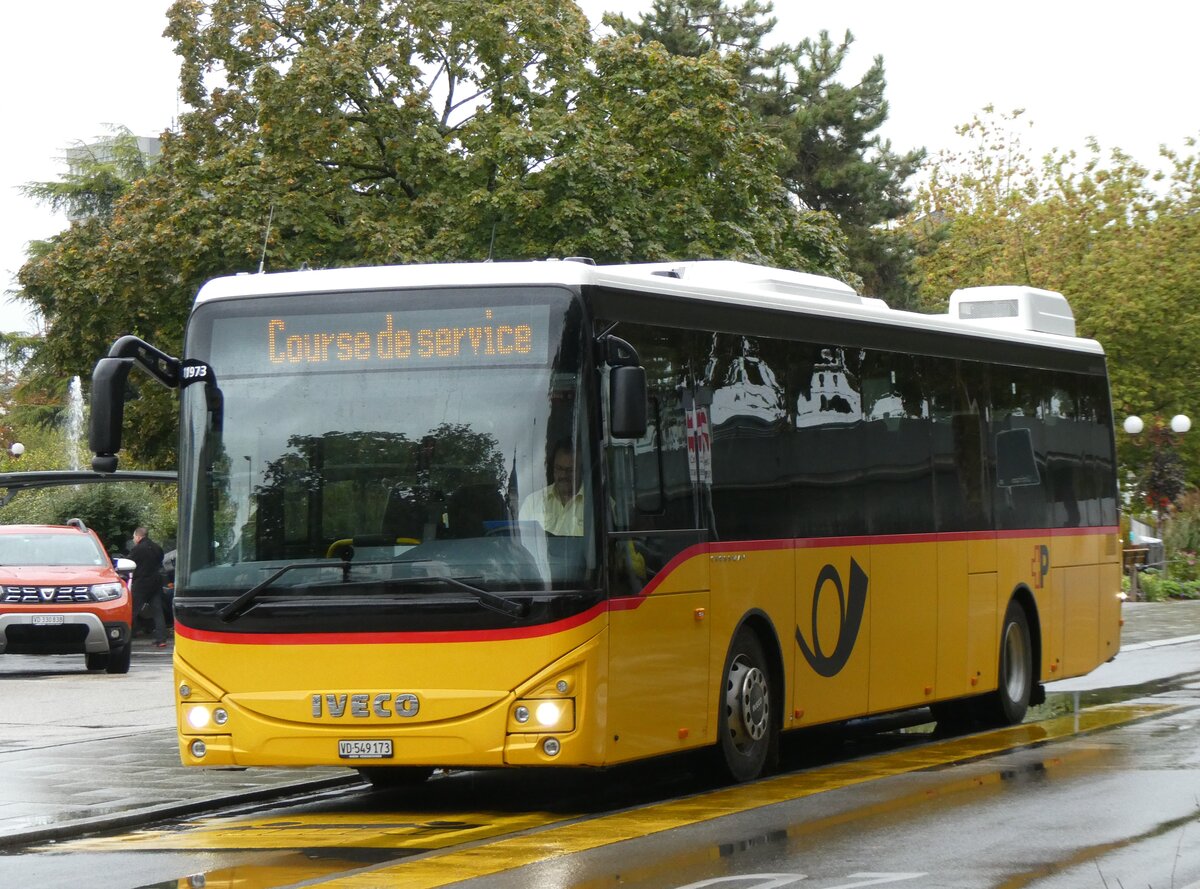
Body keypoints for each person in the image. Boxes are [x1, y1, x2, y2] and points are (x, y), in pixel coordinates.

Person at [518, 439, 585, 536]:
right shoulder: (532, 503)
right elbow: (520, 542)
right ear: (552, 468)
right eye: (559, 468)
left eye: (570, 470)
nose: (563, 475)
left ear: (581, 470)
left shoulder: (599, 503)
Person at [129, 527, 168, 649]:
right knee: (158, 612)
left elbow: (129, 563)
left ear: (139, 536)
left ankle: (127, 635)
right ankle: (161, 639)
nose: (134, 539)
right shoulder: (157, 548)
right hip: (156, 583)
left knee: (132, 610)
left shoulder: (137, 549)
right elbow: (160, 561)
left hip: (141, 583)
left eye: (134, 537)